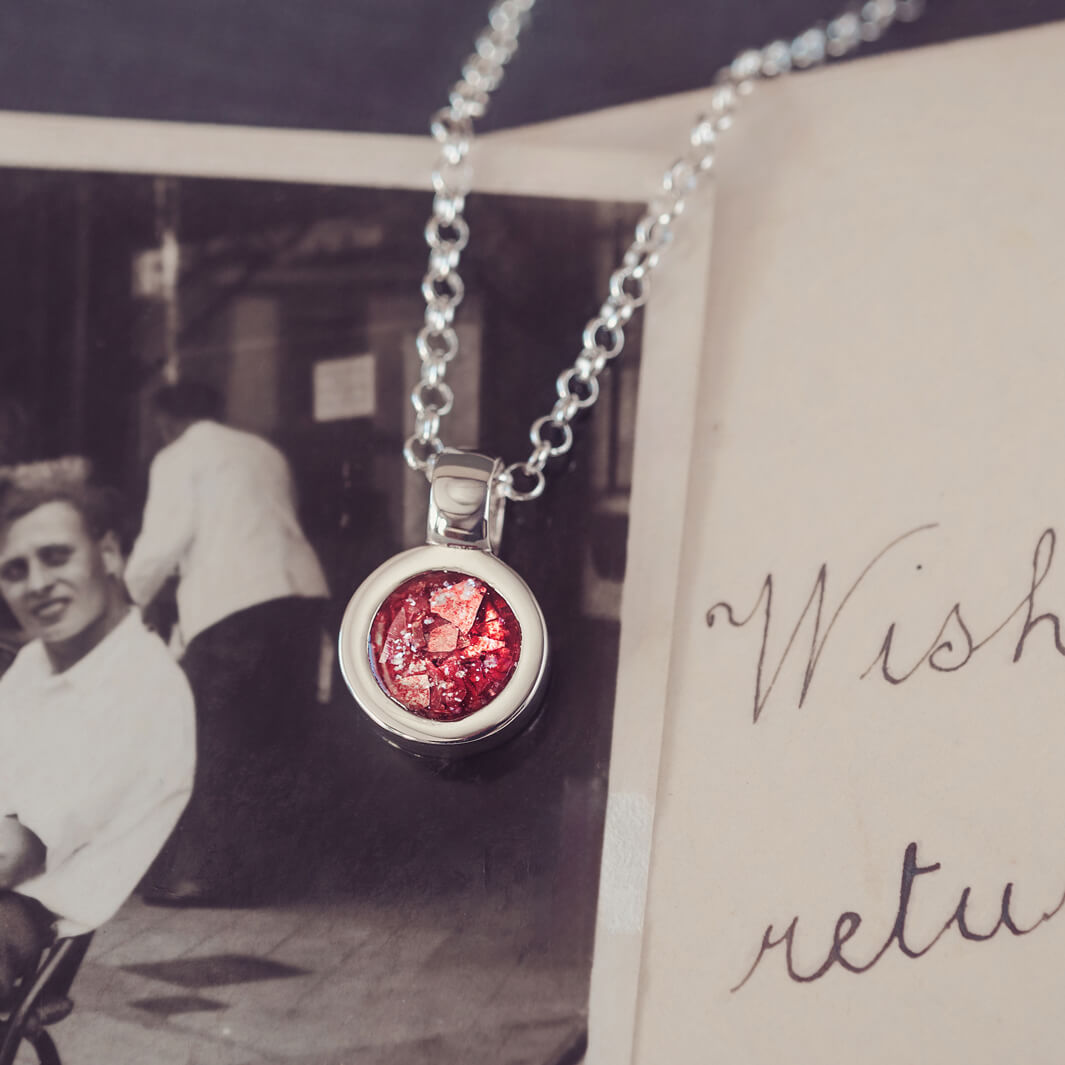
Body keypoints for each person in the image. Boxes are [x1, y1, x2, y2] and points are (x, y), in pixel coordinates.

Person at [125, 381, 329, 905]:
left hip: (235, 611)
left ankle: (208, 877)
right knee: (275, 739)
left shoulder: (179, 457)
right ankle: (273, 876)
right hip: (301, 602)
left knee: (213, 742)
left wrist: (125, 601)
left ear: (167, 422)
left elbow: (161, 544)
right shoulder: (264, 453)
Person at [0, 466, 195, 1002]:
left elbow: (15, 852)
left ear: (108, 554)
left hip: (24, 922)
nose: (37, 584)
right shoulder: (35, 666)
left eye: (57, 556)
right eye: (15, 570)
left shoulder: (140, 685)